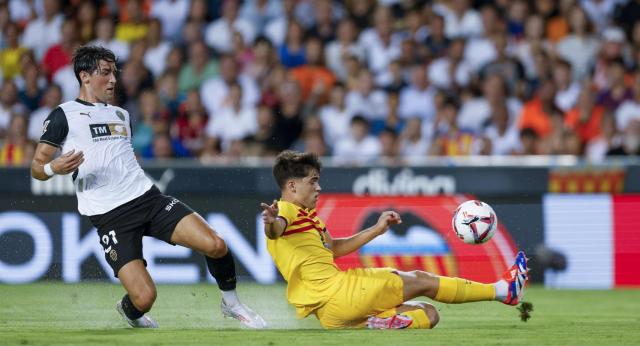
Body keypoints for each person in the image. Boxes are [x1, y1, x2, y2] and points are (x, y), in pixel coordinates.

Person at [30, 46, 266, 329]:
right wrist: (52, 168)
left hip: (148, 199)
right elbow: (36, 169)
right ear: (85, 76)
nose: (113, 80)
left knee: (216, 245)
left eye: (114, 73)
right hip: (111, 216)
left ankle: (232, 304)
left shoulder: (121, 115)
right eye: (105, 73)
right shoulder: (62, 115)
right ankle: (129, 311)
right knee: (143, 298)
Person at [260, 150, 529, 329]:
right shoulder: (285, 210)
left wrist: (377, 230)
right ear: (292, 186)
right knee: (421, 279)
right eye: (313, 181)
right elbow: (276, 230)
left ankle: (380, 323)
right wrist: (271, 222)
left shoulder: (310, 218)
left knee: (428, 314)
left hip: (331, 315)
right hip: (342, 292)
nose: (319, 187)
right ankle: (502, 291)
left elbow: (335, 248)